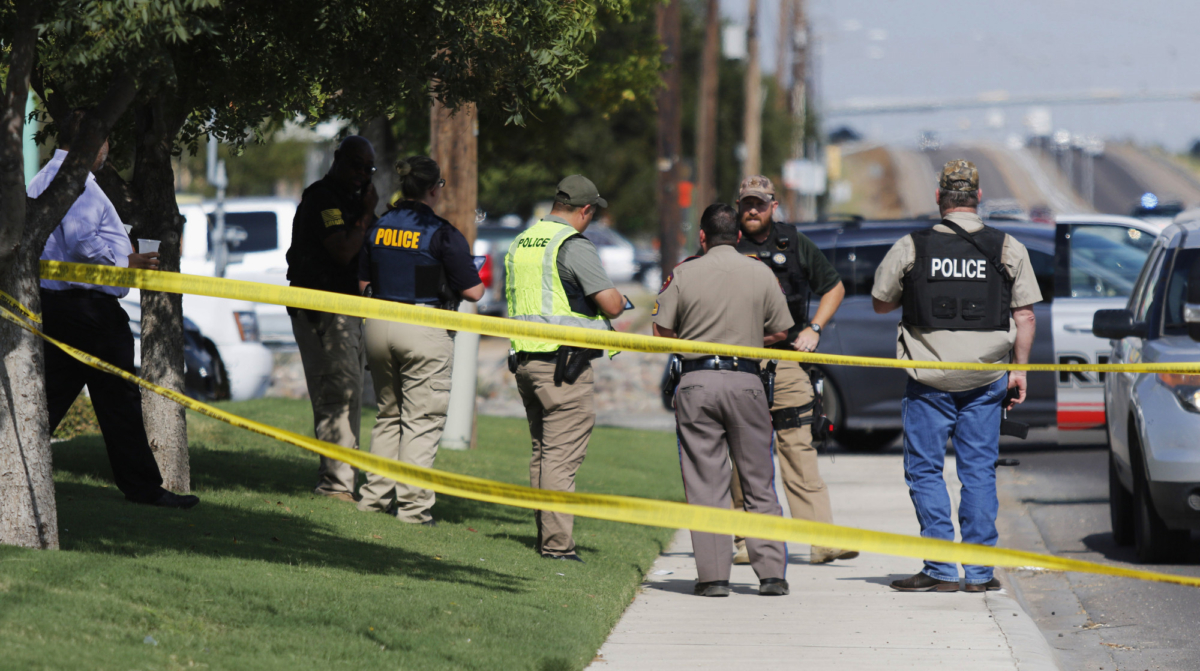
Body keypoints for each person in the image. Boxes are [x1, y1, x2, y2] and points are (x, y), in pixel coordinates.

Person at [871, 160, 1040, 593]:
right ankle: (980, 574)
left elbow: (880, 302)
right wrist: (1019, 372)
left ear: (939, 198)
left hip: (928, 380)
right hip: (986, 380)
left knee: (926, 471)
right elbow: (1024, 316)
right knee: (979, 471)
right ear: (978, 198)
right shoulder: (1008, 247)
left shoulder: (912, 246)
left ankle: (941, 569)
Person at [32, 109, 198, 509]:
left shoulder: (46, 177)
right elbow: (78, 240)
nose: (108, 150)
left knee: (50, 396)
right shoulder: (74, 183)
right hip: (90, 312)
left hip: (61, 308)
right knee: (119, 398)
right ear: (90, 143)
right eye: (104, 140)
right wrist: (125, 264)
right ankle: (144, 489)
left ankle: (139, 486)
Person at [653, 203, 793, 597]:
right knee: (758, 482)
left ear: (702, 237)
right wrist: (748, 339)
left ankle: (713, 578)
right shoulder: (761, 272)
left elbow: (660, 330)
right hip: (747, 381)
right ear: (738, 236)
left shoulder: (683, 272)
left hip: (697, 382)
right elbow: (782, 331)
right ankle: (771, 576)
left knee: (705, 484)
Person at [730, 175, 856, 566]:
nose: (753, 210)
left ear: (774, 205)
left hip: (786, 361)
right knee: (743, 453)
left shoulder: (794, 243)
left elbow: (833, 287)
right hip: (739, 363)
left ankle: (821, 540)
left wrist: (814, 329)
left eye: (760, 203)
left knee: (798, 448)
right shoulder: (725, 243)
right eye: (747, 203)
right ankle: (742, 541)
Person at [356, 156, 483, 524]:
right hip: (424, 327)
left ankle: (374, 499)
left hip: (378, 324)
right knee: (421, 419)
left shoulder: (378, 226)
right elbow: (473, 293)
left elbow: (363, 284)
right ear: (434, 188)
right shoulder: (442, 232)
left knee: (388, 415)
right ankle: (413, 510)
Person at [505, 175, 626, 562]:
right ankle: (557, 546)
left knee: (543, 453)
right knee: (561, 458)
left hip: (526, 361)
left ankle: (546, 536)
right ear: (584, 209)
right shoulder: (572, 245)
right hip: (563, 367)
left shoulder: (523, 240)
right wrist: (621, 299)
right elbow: (610, 304)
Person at [285, 136, 378, 503]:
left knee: (349, 394)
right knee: (336, 395)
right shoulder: (322, 197)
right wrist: (368, 214)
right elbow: (341, 250)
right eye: (355, 165)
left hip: (347, 309)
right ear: (337, 159)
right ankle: (334, 486)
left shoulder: (353, 201)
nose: (361, 174)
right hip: (322, 310)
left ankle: (342, 482)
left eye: (367, 169)